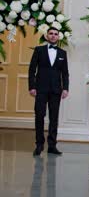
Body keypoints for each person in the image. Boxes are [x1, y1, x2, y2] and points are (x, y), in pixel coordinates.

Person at [28, 27, 69, 156]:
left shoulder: (63, 53)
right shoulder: (39, 50)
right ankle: (39, 145)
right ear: (47, 36)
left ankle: (52, 145)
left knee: (54, 118)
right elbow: (31, 70)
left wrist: (66, 88)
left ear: (58, 37)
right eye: (51, 33)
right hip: (40, 89)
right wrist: (32, 87)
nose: (53, 36)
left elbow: (65, 73)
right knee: (39, 116)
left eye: (55, 34)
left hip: (56, 90)